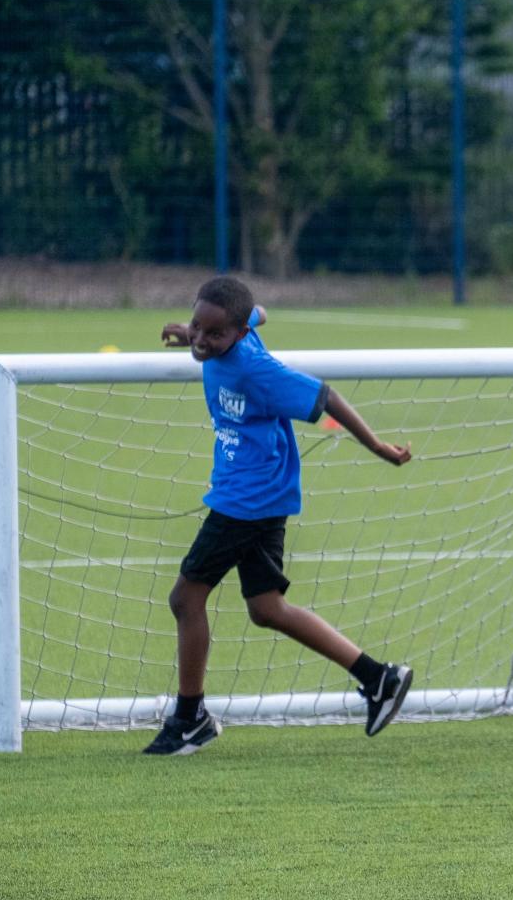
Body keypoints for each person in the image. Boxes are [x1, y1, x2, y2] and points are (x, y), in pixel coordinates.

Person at [143, 275, 414, 755]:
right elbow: (258, 311)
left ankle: (189, 718)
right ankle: (379, 678)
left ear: (239, 336)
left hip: (245, 501)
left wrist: (376, 446)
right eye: (196, 327)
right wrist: (192, 336)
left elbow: (325, 397)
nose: (203, 341)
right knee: (266, 609)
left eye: (214, 334)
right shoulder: (235, 328)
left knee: (185, 599)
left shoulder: (254, 371)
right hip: (259, 496)